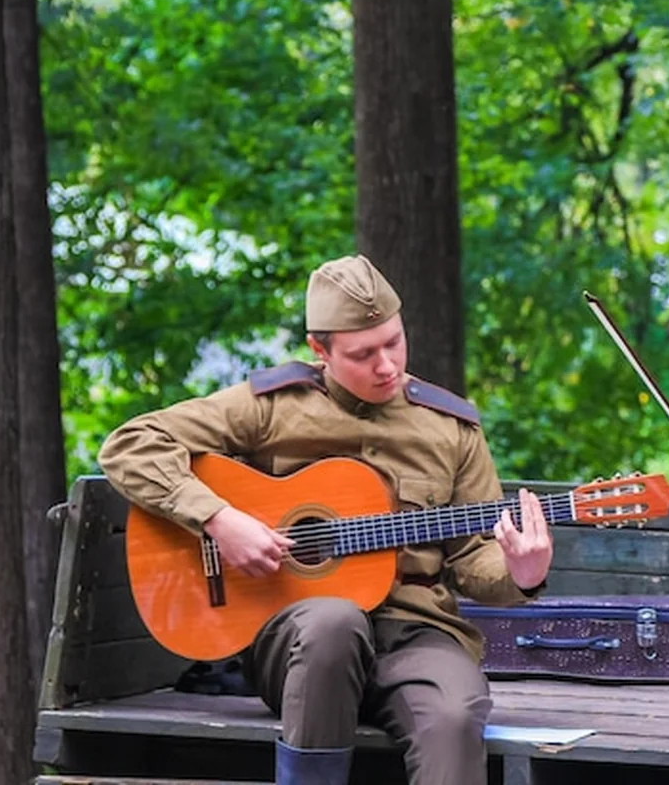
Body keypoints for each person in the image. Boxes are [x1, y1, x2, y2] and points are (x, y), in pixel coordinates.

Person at [98, 255, 554, 785]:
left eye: (394, 342)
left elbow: (473, 556)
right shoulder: (272, 407)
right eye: (363, 354)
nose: (386, 365)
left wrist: (522, 573)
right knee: (335, 621)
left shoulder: (451, 428)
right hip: (296, 639)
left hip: (415, 632)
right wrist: (218, 519)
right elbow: (130, 445)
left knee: (453, 718)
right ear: (320, 350)